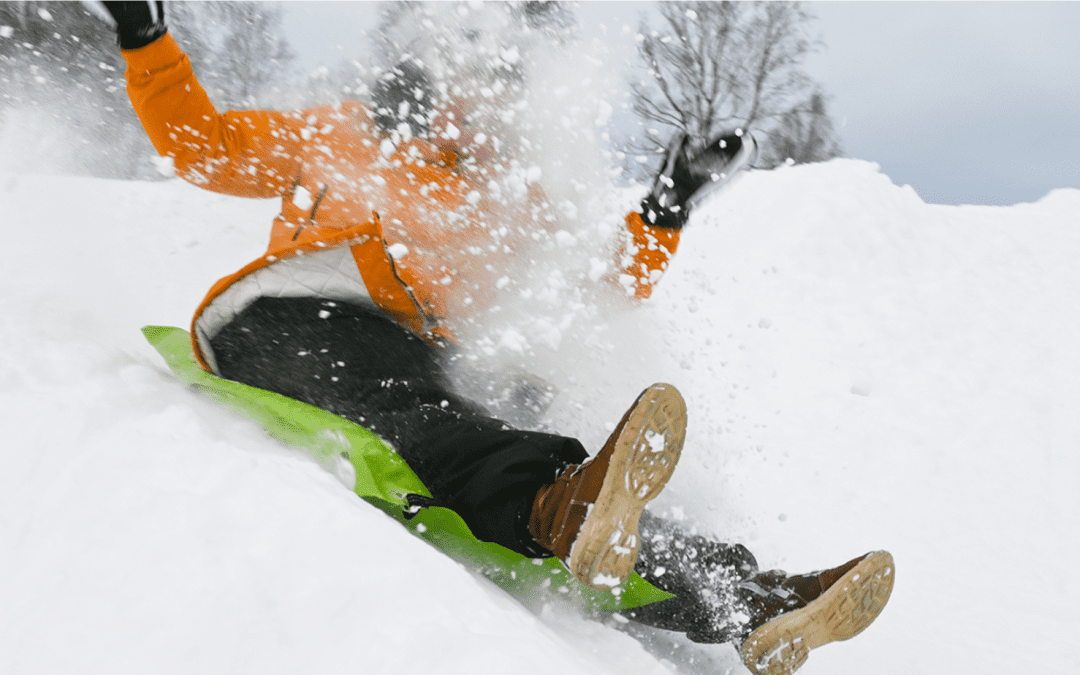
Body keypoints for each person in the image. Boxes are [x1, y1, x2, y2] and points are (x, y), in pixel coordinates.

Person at [96, 3, 894, 673]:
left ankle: (748, 597)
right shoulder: (348, 135)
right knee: (438, 420)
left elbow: (599, 287)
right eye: (474, 83)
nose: (488, 111)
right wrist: (145, 36)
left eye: (508, 92)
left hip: (414, 356)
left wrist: (666, 203)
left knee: (518, 414)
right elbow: (200, 147)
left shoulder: (506, 198)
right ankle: (558, 506)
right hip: (291, 321)